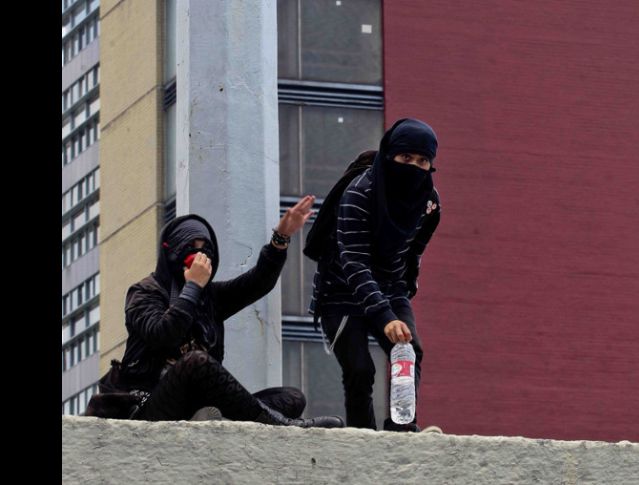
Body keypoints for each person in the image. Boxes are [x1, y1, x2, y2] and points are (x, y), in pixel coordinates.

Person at [105, 196, 343, 428]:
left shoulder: (210, 299)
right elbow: (163, 334)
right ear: (172, 252)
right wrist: (193, 287)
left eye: (205, 250)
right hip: (150, 408)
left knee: (291, 398)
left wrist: (280, 238)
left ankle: (216, 421)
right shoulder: (144, 293)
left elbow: (257, 283)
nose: (199, 258)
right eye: (192, 249)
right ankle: (280, 424)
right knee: (196, 361)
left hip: (199, 402)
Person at [309, 118, 442, 431]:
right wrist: (385, 317)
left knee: (409, 352)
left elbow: (415, 249)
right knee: (359, 370)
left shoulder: (430, 203)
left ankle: (401, 426)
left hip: (391, 288)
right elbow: (354, 262)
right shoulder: (359, 194)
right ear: (389, 157)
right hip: (341, 291)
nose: (414, 166)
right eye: (405, 158)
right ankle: (363, 437)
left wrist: (404, 290)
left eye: (423, 161)